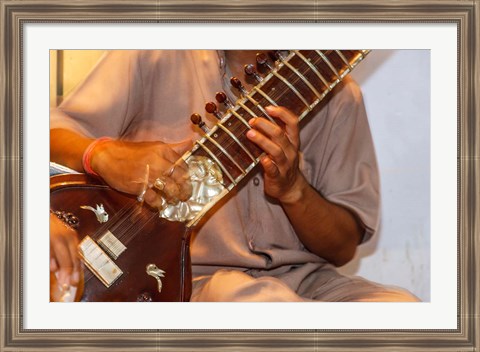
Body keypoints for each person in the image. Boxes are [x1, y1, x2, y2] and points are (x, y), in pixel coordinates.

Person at [50, 50, 419, 302]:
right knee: (265, 310)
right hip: (188, 280)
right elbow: (44, 137)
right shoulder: (156, 51)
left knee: (403, 316)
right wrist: (102, 154)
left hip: (306, 281)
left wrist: (294, 191)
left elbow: (342, 247)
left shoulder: (335, 93)